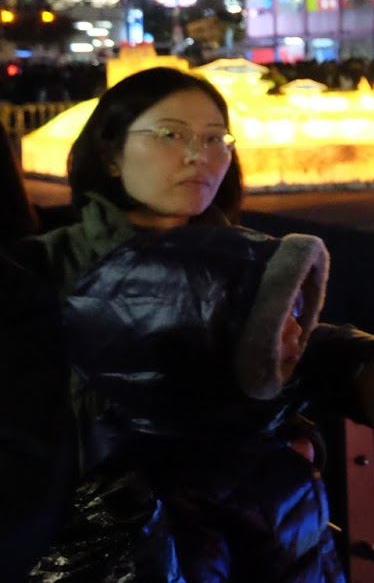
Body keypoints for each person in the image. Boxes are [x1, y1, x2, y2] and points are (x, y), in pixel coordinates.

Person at [3, 67, 374, 565]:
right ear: (109, 153)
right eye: (171, 135)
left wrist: (358, 364)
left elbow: (277, 342)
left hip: (260, 541)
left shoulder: (255, 263)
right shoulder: (38, 271)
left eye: (216, 139)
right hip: (104, 550)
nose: (199, 155)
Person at [32, 224, 345, 580]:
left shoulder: (253, 438)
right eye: (272, 322)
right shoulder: (162, 500)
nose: (297, 331)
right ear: (198, 345)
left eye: (295, 311)